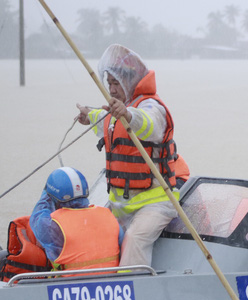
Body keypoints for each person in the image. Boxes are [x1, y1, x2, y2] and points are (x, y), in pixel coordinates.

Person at [76, 44, 179, 267]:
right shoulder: (116, 110)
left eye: (116, 83)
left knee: (135, 238)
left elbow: (149, 125)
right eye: (110, 83)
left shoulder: (151, 107)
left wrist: (129, 114)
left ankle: (133, 287)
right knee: (93, 233)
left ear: (129, 82)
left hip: (156, 204)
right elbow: (105, 120)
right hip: (121, 204)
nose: (112, 90)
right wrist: (88, 116)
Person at [29, 167, 123, 273]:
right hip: (112, 283)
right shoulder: (108, 216)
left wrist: (46, 194)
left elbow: (37, 217)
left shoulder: (55, 226)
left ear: (53, 198)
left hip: (70, 285)